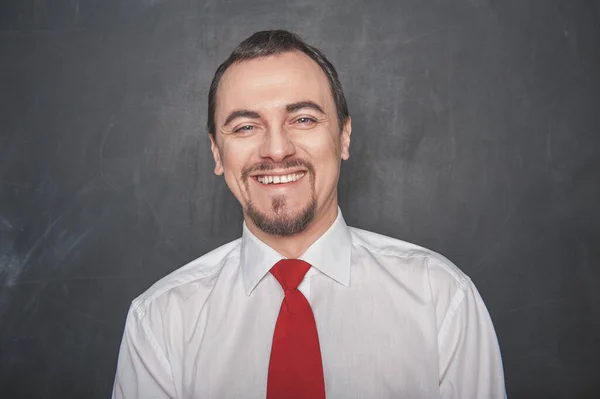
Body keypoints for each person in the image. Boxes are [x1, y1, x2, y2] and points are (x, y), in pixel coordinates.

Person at [112, 29, 506, 399]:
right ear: (217, 153)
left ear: (344, 137)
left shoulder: (441, 300)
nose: (277, 150)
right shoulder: (160, 321)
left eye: (302, 119)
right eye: (246, 126)